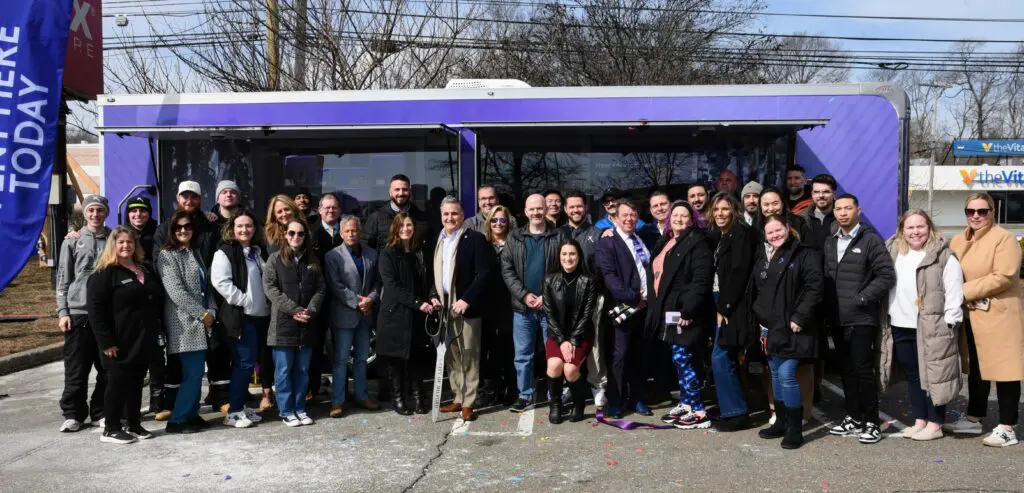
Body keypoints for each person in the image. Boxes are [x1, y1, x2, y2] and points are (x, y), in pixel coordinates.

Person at [947, 192, 1024, 447]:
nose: (976, 216)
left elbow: (1004, 275)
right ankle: (974, 417)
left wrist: (962, 291)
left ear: (992, 212)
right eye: (970, 211)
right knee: (977, 370)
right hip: (970, 316)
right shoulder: (958, 240)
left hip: (999, 315)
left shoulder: (1004, 239)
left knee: (1005, 371)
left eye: (982, 211)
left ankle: (1007, 427)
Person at [880, 210, 963, 441]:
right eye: (910, 228)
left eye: (920, 227)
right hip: (900, 323)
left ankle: (935, 424)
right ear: (902, 231)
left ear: (929, 228)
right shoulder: (894, 252)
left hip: (932, 327)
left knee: (934, 375)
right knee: (914, 375)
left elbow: (954, 289)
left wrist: (950, 320)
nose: (915, 232)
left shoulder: (943, 255)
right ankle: (920, 420)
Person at [824, 194, 896, 445]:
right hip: (837, 318)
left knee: (862, 370)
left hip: (861, 318)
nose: (843, 213)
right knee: (846, 371)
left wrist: (863, 298)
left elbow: (886, 275)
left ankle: (871, 422)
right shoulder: (830, 241)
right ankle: (853, 417)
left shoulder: (870, 240)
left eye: (848, 208)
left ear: (858, 210)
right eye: (838, 209)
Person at [87, 226, 164, 444]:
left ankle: (133, 423)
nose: (125, 246)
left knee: (136, 381)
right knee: (117, 381)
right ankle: (111, 428)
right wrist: (106, 341)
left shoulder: (143, 270)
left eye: (129, 242)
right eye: (120, 242)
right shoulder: (105, 273)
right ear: (113, 245)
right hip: (118, 341)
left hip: (142, 338)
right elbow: (95, 310)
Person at [751, 215, 823, 450]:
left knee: (786, 374)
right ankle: (780, 421)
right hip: (771, 327)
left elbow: (814, 288)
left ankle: (795, 428)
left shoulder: (806, 253)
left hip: (794, 326)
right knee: (774, 373)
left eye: (778, 230)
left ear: (788, 229)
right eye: (770, 232)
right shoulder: (768, 257)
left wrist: (799, 317)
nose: (775, 235)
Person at [646, 201, 714, 430]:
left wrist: (688, 309)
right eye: (675, 215)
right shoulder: (667, 240)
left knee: (684, 357)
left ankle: (698, 410)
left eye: (684, 216)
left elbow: (701, 280)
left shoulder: (697, 242)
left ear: (692, 219)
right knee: (678, 356)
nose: (679, 219)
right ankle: (685, 404)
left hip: (684, 311)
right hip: (669, 310)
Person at [429, 197, 493, 422]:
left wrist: (466, 299)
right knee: (452, 356)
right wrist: (434, 297)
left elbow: (484, 274)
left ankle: (469, 402)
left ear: (462, 215)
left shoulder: (474, 239)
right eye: (446, 214)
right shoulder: (439, 240)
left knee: (469, 355)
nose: (450, 218)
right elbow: (434, 274)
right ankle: (457, 397)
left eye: (454, 214)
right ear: (441, 216)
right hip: (444, 307)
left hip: (467, 308)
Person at [501, 194, 567, 412]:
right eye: (532, 209)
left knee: (553, 354)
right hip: (522, 308)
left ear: (546, 209)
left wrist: (546, 297)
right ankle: (525, 395)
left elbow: (565, 269)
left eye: (540, 208)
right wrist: (523, 295)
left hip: (551, 306)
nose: (536, 213)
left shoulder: (559, 236)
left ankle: (553, 394)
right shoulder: (514, 237)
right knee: (523, 355)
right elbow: (507, 269)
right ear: (525, 211)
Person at [158, 210, 217, 434]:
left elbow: (206, 287)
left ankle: (192, 414)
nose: (183, 230)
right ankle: (177, 420)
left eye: (187, 227)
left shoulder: (195, 252)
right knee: (192, 373)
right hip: (183, 324)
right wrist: (203, 314)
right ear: (172, 231)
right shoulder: (167, 255)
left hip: (201, 321)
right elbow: (176, 292)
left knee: (195, 373)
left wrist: (211, 309)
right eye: (178, 227)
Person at [263, 219, 327, 427]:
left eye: (300, 234)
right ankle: (286, 410)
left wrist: (312, 310)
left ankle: (300, 408)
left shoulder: (313, 260)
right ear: (285, 235)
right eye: (292, 233)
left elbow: (320, 289)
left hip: (307, 325)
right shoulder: (274, 259)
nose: (296, 237)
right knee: (283, 371)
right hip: (283, 326)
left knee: (302, 370)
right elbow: (271, 289)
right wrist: (295, 310)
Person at [56, 194, 110, 433]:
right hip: (78, 313)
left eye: (99, 210)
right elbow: (63, 279)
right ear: (85, 214)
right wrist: (62, 312)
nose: (95, 215)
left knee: (108, 368)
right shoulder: (72, 241)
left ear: (106, 213)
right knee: (77, 368)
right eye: (91, 211)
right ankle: (73, 414)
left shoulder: (114, 239)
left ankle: (101, 411)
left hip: (107, 315)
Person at [211, 210, 270, 429]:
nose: (244, 230)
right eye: (239, 226)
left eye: (248, 226)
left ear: (255, 229)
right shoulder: (225, 251)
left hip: (260, 316)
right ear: (232, 229)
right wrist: (245, 301)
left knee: (249, 363)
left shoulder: (257, 250)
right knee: (244, 363)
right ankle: (233, 412)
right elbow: (221, 282)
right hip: (240, 316)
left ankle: (243, 407)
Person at [595, 199, 652, 418]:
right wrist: (632, 297)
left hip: (646, 307)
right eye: (625, 215)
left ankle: (637, 398)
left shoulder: (640, 238)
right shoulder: (608, 241)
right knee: (620, 356)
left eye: (633, 215)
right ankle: (616, 402)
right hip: (624, 307)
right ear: (615, 218)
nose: (629, 219)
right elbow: (609, 276)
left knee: (641, 355)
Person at [707, 193, 757, 431]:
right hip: (721, 300)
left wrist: (724, 306)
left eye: (725, 209)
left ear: (734, 210)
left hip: (732, 304)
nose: (719, 214)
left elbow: (739, 273)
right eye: (716, 209)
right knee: (724, 356)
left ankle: (737, 413)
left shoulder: (741, 234)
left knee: (721, 356)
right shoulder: (720, 235)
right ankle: (731, 410)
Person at [324, 215, 382, 418]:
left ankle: (362, 395)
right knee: (340, 360)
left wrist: (371, 299)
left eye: (355, 230)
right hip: (344, 314)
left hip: (366, 316)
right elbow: (336, 285)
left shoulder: (372, 254)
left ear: (360, 232)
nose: (351, 234)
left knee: (361, 359)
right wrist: (359, 303)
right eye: (347, 231)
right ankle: (338, 401)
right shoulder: (333, 256)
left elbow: (377, 281)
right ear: (341, 233)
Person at [378, 213, 434, 415]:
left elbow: (427, 281)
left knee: (416, 357)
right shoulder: (388, 253)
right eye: (401, 226)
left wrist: (432, 297)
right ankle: (398, 399)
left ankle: (419, 397)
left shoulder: (420, 252)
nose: (406, 229)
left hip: (417, 314)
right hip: (396, 314)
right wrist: (418, 303)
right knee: (397, 361)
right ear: (395, 228)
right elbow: (392, 286)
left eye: (409, 225)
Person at [543, 239, 598, 424]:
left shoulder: (588, 281)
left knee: (570, 369)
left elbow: (586, 315)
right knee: (554, 366)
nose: (568, 258)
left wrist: (573, 340)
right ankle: (556, 404)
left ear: (579, 256)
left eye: (572, 254)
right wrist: (562, 340)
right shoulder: (549, 280)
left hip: (580, 335)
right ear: (559, 257)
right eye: (564, 254)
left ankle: (578, 403)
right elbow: (549, 313)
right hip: (556, 334)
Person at [559, 191, 606, 409]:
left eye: (580, 206)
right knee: (568, 341)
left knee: (594, 342)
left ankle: (597, 384)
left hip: (592, 297)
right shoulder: (558, 234)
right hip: (565, 297)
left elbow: (603, 268)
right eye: (572, 207)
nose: (576, 210)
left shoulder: (597, 234)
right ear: (565, 209)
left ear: (585, 208)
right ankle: (569, 385)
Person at [308, 193, 344, 400]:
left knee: (342, 348)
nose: (330, 211)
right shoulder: (312, 233)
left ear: (339, 210)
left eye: (334, 207)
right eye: (326, 207)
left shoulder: (346, 232)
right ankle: (312, 389)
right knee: (316, 344)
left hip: (341, 297)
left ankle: (342, 391)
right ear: (319, 210)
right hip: (318, 297)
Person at [482, 205, 518, 405]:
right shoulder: (483, 244)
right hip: (488, 304)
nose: (498, 224)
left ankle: (511, 389)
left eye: (502, 220)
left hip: (510, 302)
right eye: (494, 220)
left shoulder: (515, 243)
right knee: (489, 350)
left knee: (509, 349)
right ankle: (491, 390)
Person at [152, 181, 218, 267]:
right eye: (185, 197)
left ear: (200, 199)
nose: (189, 201)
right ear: (178, 198)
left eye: (194, 197)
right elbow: (158, 262)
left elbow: (216, 260)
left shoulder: (210, 227)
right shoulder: (164, 229)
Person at [363, 174, 434, 252]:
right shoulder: (376, 218)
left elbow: (428, 248)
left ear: (410, 191)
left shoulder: (422, 218)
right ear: (390, 192)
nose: (401, 193)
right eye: (397, 189)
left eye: (404, 189)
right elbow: (366, 248)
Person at [799, 174, 838, 251]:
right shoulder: (801, 217)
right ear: (812, 194)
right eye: (816, 192)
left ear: (834, 194)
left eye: (826, 192)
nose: (821, 195)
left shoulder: (844, 216)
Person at [124, 195, 158, 263]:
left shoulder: (159, 232)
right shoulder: (122, 233)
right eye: (134, 211)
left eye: (142, 211)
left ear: (149, 214)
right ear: (128, 214)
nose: (138, 214)